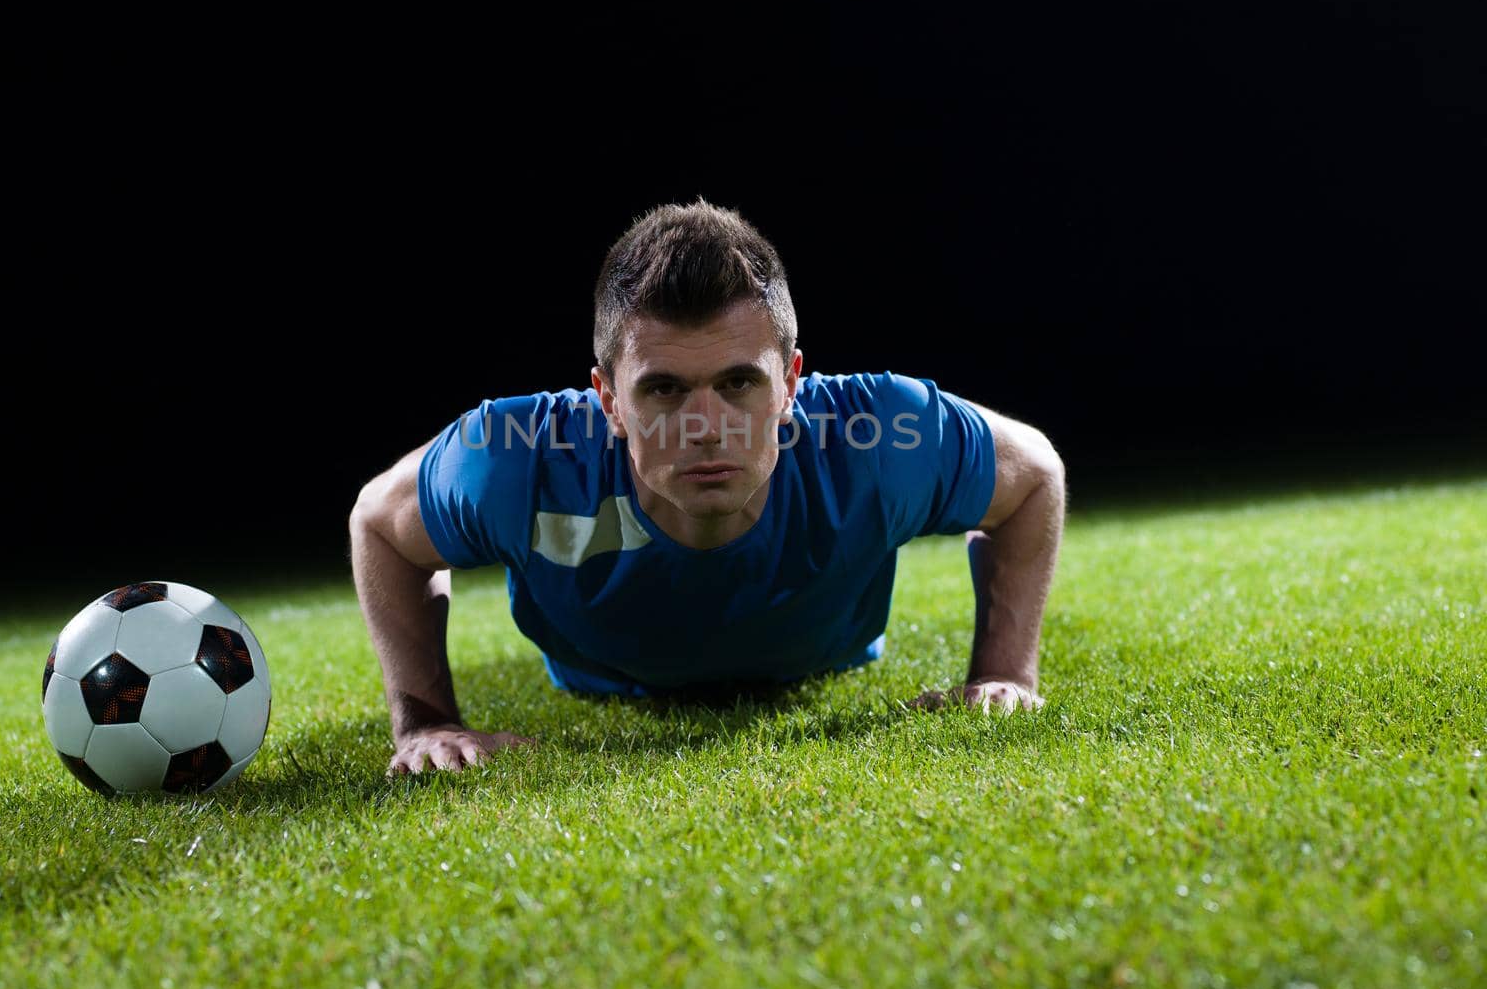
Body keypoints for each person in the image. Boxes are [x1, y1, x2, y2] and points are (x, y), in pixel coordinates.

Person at [350, 199, 1066, 774]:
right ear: (606, 399)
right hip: (598, 674)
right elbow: (381, 523)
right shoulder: (516, 460)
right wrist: (426, 722)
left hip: (822, 660)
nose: (705, 426)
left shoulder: (877, 438)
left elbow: (1034, 475)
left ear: (789, 382)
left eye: (738, 383)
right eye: (663, 388)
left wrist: (1006, 674)